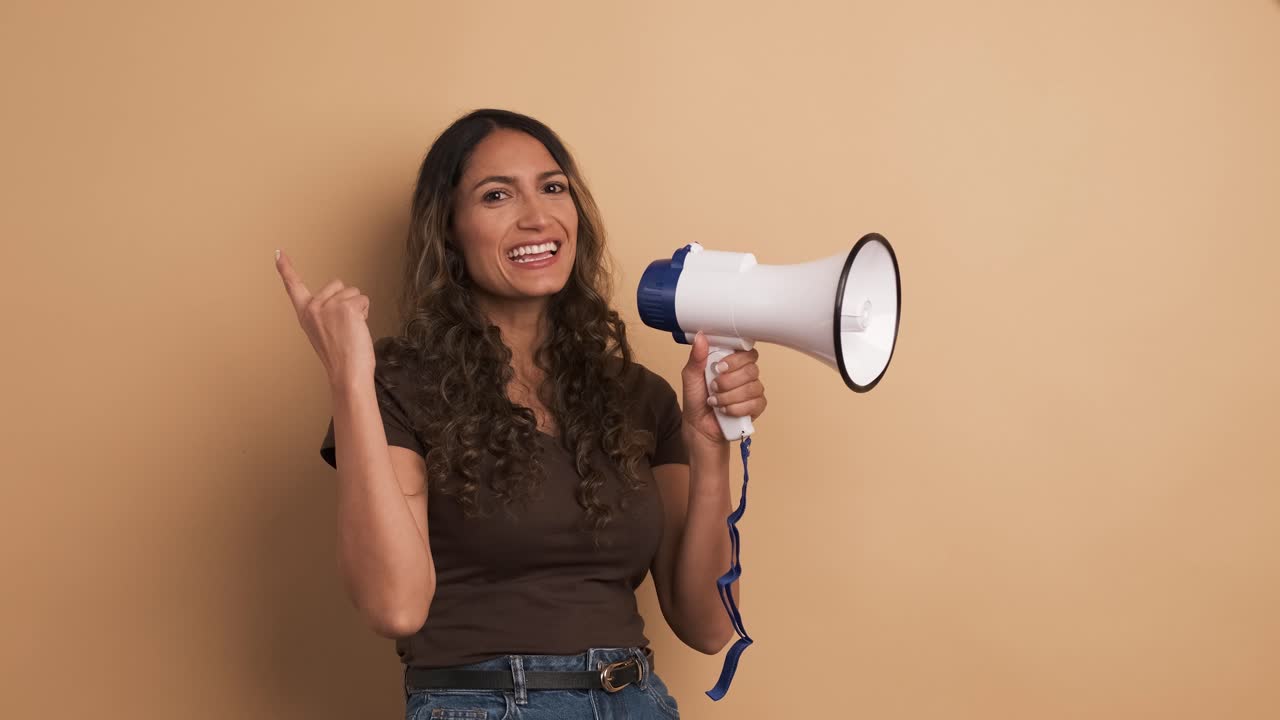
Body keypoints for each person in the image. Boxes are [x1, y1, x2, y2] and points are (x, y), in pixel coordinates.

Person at [274, 108, 767, 720]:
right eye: (497, 195)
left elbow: (710, 626)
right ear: (449, 231)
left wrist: (709, 445)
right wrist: (350, 380)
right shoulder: (399, 383)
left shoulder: (638, 395)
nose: (538, 216)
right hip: (486, 705)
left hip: (636, 701)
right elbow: (394, 607)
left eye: (552, 187)